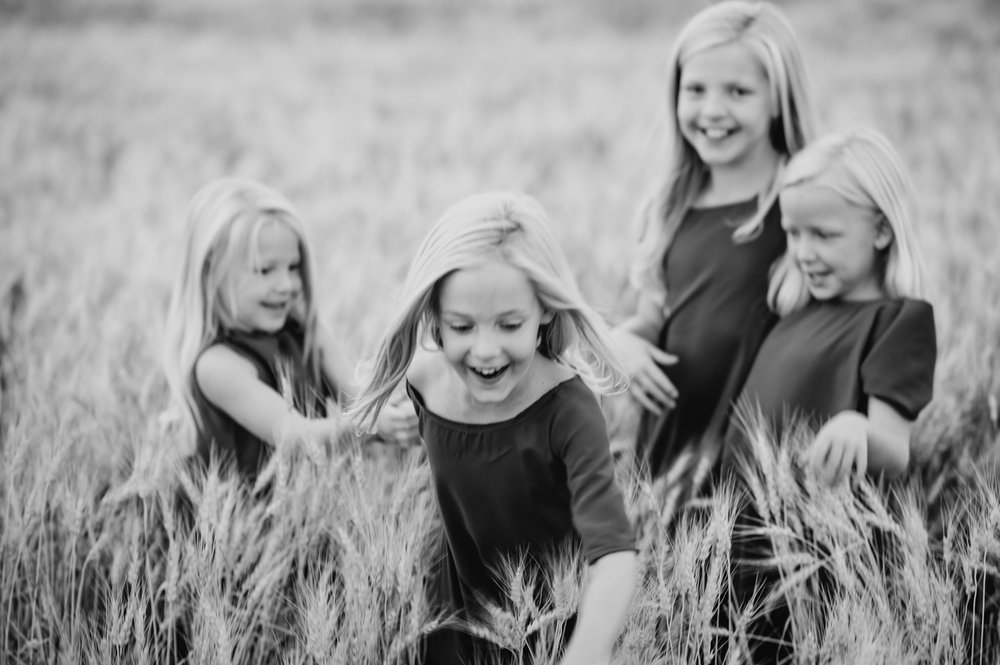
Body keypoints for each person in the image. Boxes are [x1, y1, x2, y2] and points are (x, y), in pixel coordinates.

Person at [349, 191, 638, 665]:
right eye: (462, 327)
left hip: (545, 639)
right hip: (448, 629)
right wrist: (379, 422)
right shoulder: (424, 379)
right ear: (434, 318)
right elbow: (371, 408)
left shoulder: (567, 410)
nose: (485, 351)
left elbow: (614, 554)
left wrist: (585, 654)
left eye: (509, 324)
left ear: (545, 309)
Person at [724, 127, 937, 664]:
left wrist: (858, 428)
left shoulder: (898, 321)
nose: (803, 253)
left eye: (824, 235)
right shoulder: (791, 312)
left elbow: (895, 446)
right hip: (740, 545)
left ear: (882, 232)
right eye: (793, 234)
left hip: (821, 561)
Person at [613, 1, 817, 492]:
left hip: (766, 460)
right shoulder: (671, 205)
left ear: (778, 99)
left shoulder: (805, 199)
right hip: (671, 451)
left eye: (738, 91)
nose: (712, 110)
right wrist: (621, 342)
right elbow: (654, 317)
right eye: (696, 90)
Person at [162, 178, 416, 485]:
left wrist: (397, 413)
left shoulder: (304, 329)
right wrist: (371, 426)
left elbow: (355, 396)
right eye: (265, 270)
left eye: (293, 267)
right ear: (211, 272)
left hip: (310, 504)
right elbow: (294, 438)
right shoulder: (217, 365)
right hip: (241, 519)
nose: (286, 285)